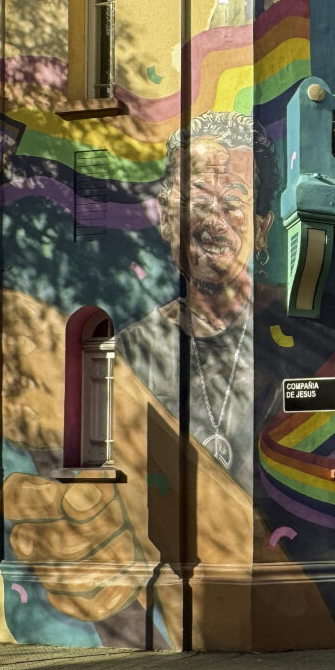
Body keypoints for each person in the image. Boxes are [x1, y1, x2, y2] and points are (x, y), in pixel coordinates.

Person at [116, 111, 277, 494]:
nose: (215, 221)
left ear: (262, 228)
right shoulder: (134, 348)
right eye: (198, 200)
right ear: (166, 216)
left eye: (234, 201)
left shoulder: (298, 336)